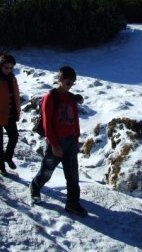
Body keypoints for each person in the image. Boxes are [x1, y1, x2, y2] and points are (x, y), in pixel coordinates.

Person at [30, 65, 88, 217]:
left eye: (72, 83)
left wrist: (76, 139)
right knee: (47, 172)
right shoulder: (50, 98)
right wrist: (54, 145)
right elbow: (47, 124)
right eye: (68, 82)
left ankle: (72, 204)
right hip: (55, 142)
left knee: (73, 176)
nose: (70, 86)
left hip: (70, 141)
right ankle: (35, 188)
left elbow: (75, 120)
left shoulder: (70, 98)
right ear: (60, 79)